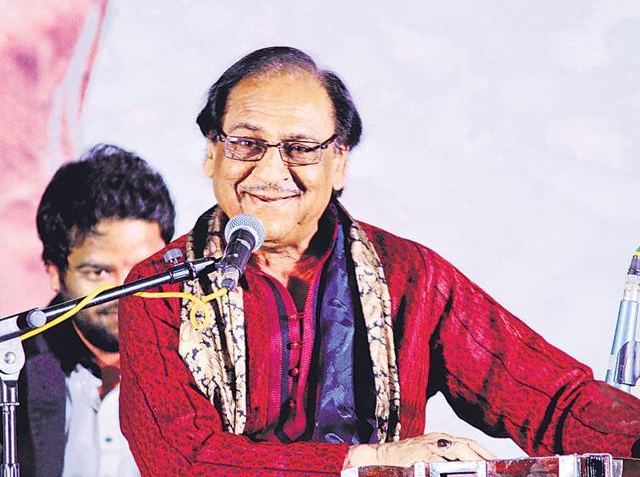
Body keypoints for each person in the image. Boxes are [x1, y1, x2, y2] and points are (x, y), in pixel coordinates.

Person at [118, 47, 640, 476]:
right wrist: (374, 461)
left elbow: (550, 398)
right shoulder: (159, 289)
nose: (270, 172)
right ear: (212, 153)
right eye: (246, 144)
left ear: (339, 161)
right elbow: (181, 461)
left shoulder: (409, 276)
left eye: (300, 149)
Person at [18, 144, 176, 477]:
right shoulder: (14, 373)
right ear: (54, 272)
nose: (126, 291)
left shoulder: (212, 365)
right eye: (99, 272)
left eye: (145, 268)